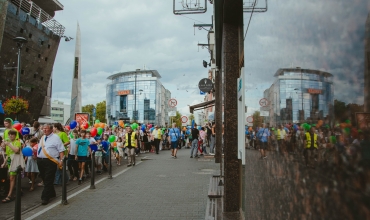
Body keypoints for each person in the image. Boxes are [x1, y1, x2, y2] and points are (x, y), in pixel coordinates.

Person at [37, 124, 65, 205]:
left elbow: (61, 150)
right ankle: (52, 193)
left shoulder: (56, 138)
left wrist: (61, 161)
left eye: (46, 128)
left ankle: (45, 198)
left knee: (49, 178)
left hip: (50, 161)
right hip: (40, 160)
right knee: (44, 178)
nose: (44, 130)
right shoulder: (42, 137)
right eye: (43, 128)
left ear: (51, 129)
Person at [1, 130, 22, 203]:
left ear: (15, 135)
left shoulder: (17, 142)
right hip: (10, 161)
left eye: (12, 135)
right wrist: (4, 163)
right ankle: (18, 190)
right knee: (12, 178)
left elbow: (16, 150)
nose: (10, 136)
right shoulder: (8, 143)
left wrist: (9, 144)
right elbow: (8, 154)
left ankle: (9, 195)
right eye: (9, 135)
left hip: (16, 161)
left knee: (12, 178)